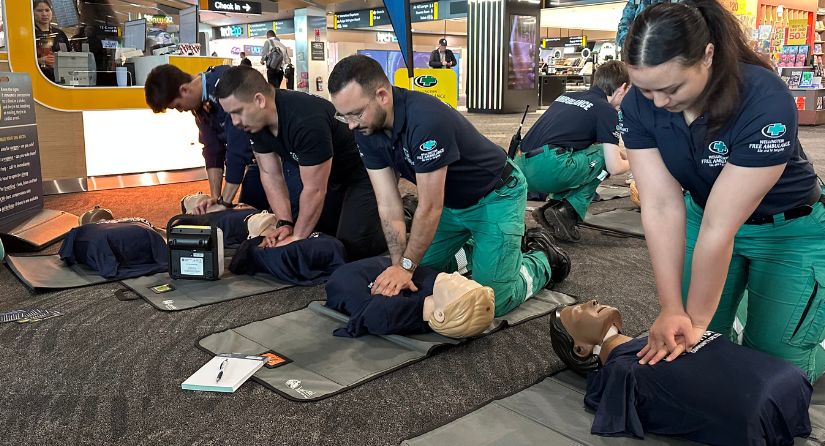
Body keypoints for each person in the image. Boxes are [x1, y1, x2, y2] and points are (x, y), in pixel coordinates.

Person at [618, 0, 825, 382]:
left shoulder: (764, 98)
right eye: (646, 91)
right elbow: (661, 204)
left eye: (671, 88)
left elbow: (721, 226)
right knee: (689, 352)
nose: (659, 103)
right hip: (705, 219)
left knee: (778, 371)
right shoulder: (641, 102)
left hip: (791, 231)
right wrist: (670, 308)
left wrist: (696, 320)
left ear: (707, 56)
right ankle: (761, 302)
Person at [327, 55, 570, 318]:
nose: (350, 124)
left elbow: (430, 208)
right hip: (452, 204)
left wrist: (406, 266)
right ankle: (481, 251)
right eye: (344, 116)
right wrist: (401, 265)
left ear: (382, 95)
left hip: (497, 196)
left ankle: (541, 259)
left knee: (490, 301)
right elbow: (387, 203)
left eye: (356, 113)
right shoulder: (365, 131)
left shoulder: (425, 120)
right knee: (419, 278)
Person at [549, 300, 815, 445]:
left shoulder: (658, 335)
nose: (593, 301)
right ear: (581, 349)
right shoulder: (621, 370)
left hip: (782, 389)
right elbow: (613, 412)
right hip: (778, 396)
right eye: (579, 310)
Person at [214, 66, 387, 261]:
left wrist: (297, 237)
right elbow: (271, 174)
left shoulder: (304, 119)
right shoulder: (253, 122)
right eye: (230, 114)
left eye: (237, 112)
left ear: (259, 100)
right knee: (315, 231)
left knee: (349, 247)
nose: (235, 121)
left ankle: (400, 212)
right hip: (326, 175)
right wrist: (285, 224)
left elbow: (315, 190)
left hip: (362, 172)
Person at [144, 64, 303, 216]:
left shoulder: (225, 85)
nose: (180, 110)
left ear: (184, 90)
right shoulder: (200, 106)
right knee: (247, 219)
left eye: (177, 106)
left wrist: (225, 203)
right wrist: (216, 198)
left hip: (284, 158)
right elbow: (212, 149)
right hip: (258, 162)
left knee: (292, 216)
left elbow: (238, 147)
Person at [516, 60, 632, 242]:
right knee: (603, 158)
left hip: (521, 168)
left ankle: (552, 208)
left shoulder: (568, 96)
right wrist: (636, 161)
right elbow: (614, 166)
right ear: (622, 88)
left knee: (591, 154)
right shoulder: (606, 110)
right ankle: (567, 210)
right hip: (549, 170)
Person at [325, 256, 495, 339]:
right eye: (463, 280)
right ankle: (467, 252)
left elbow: (371, 317)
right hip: (372, 273)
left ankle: (523, 269)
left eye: (455, 287)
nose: (456, 276)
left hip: (351, 279)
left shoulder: (387, 312)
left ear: (440, 315)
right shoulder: (437, 292)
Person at [33, 0, 70, 82]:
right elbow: (20, 59)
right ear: (32, 13)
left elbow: (69, 55)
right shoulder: (29, 33)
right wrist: (39, 61)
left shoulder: (59, 33)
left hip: (59, 78)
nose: (44, 14)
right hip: (37, 77)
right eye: (39, 10)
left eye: (47, 10)